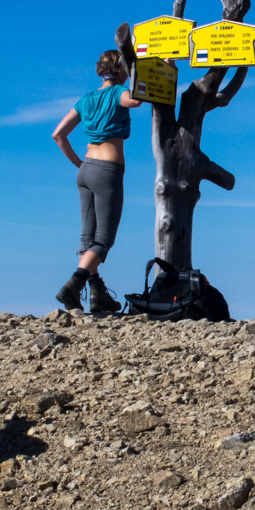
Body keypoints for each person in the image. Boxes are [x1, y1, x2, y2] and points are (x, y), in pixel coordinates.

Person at [51, 50, 143, 313]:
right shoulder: (118, 93)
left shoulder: (86, 99)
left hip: (86, 170)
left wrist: (80, 164)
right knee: (103, 240)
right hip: (108, 170)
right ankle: (72, 287)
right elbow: (135, 101)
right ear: (122, 70)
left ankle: (97, 295)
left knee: (86, 237)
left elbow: (58, 134)